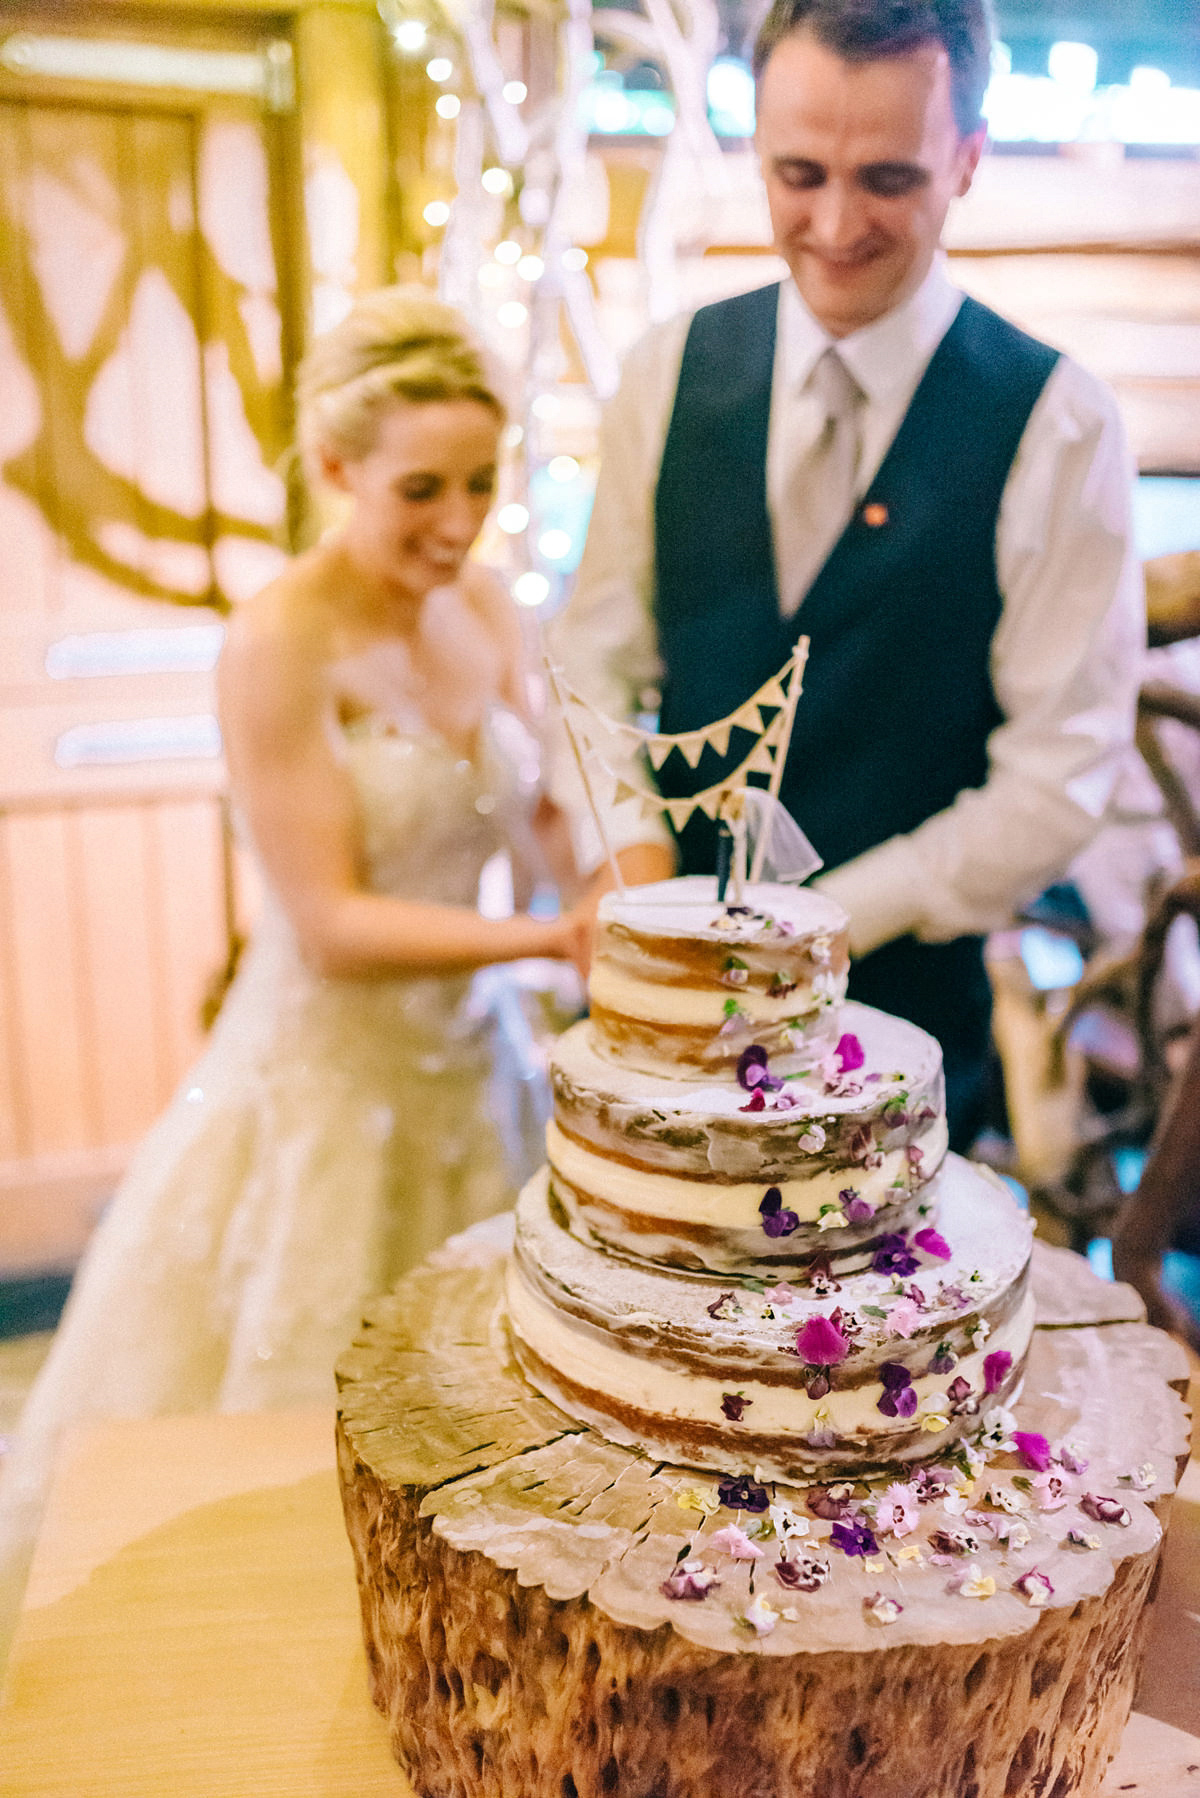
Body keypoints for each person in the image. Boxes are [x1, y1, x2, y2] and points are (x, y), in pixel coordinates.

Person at [0, 288, 586, 1622]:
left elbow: (548, 803)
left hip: (475, 1066)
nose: (457, 520)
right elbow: (331, 923)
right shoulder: (279, 642)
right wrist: (551, 937)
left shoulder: (491, 607)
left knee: (479, 1401)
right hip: (327, 1073)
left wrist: (601, 897)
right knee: (283, 1407)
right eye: (421, 488)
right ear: (336, 470)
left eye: (482, 482)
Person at [554, 0, 1145, 1150]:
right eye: (798, 172)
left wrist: (818, 925)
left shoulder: (1057, 425)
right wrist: (639, 881)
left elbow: (1059, 777)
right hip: (657, 1040)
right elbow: (594, 657)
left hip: (900, 1036)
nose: (832, 224)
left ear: (967, 159)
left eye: (886, 179)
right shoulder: (665, 374)